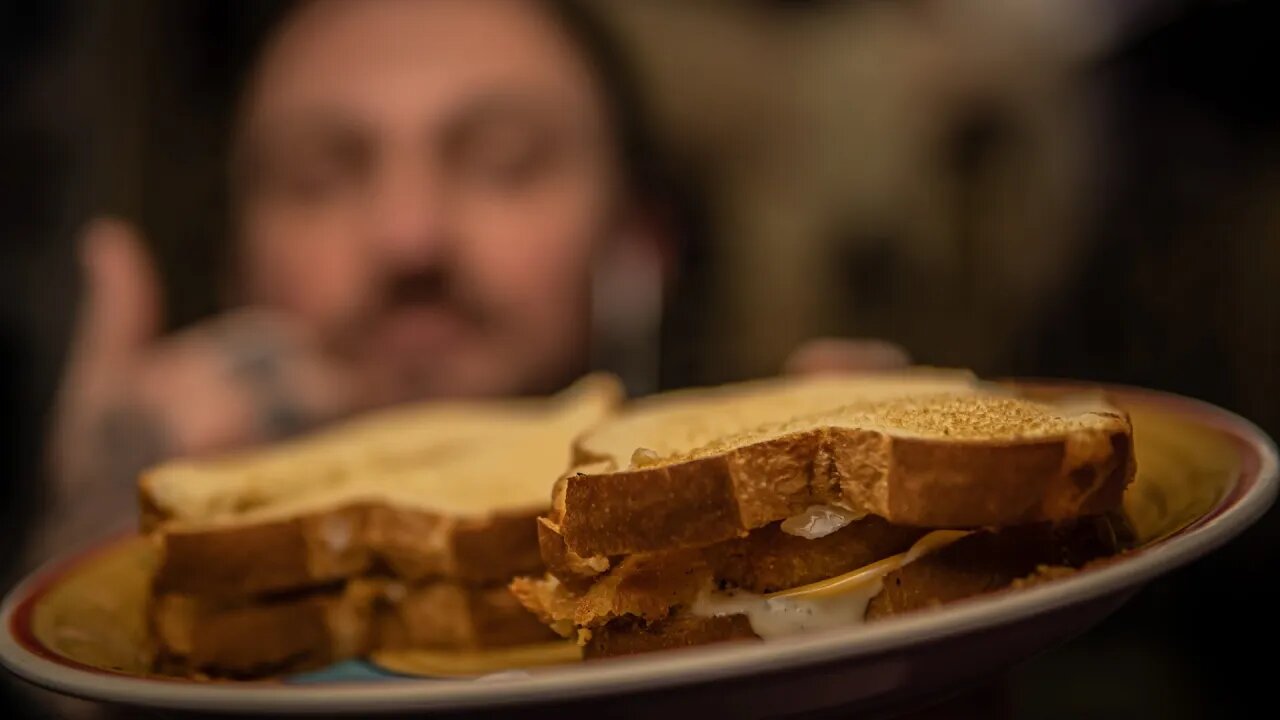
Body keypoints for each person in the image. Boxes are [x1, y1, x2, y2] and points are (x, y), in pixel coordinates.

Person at [35, 0, 907, 562]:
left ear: (640, 241)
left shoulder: (764, 554)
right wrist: (94, 592)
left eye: (504, 163)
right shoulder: (151, 566)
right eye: (318, 178)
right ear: (236, 264)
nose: (410, 238)